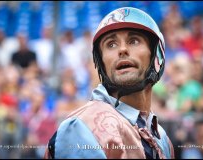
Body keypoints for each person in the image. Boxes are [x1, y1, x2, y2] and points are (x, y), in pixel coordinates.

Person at [44, 7, 175, 159]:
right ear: (102, 63)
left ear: (156, 54)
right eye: (111, 44)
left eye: (134, 41)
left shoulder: (163, 139)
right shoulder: (81, 127)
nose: (123, 49)